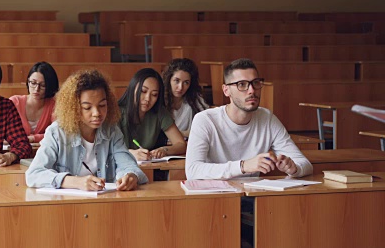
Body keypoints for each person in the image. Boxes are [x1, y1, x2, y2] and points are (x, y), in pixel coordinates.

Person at [185, 58, 313, 180]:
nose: (251, 90)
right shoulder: (205, 120)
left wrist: (294, 168)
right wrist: (243, 166)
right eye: (242, 84)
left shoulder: (267, 118)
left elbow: (305, 164)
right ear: (226, 90)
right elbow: (192, 171)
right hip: (216, 197)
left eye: (255, 83)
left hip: (251, 194)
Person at [26, 69, 148, 191]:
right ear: (73, 107)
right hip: (66, 206)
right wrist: (74, 181)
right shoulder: (56, 133)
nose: (96, 113)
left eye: (102, 105)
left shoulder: (112, 131)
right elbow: (34, 174)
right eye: (87, 107)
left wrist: (130, 176)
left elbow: (128, 164)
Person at [118, 68, 186, 161]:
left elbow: (181, 144)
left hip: (149, 167)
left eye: (154, 95)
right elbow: (107, 149)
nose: (147, 99)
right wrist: (130, 153)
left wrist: (164, 150)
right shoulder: (117, 112)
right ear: (133, 88)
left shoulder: (159, 112)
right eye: (143, 91)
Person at [9, 62, 59, 143]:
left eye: (43, 85)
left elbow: (57, 134)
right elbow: (5, 133)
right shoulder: (14, 102)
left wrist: (33, 138)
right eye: (33, 83)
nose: (36, 89)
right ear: (28, 82)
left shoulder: (54, 105)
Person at [162, 58, 208, 137]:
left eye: (186, 82)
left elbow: (205, 127)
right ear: (169, 80)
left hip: (188, 144)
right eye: (177, 81)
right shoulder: (159, 99)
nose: (180, 87)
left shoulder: (194, 99)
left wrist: (180, 134)